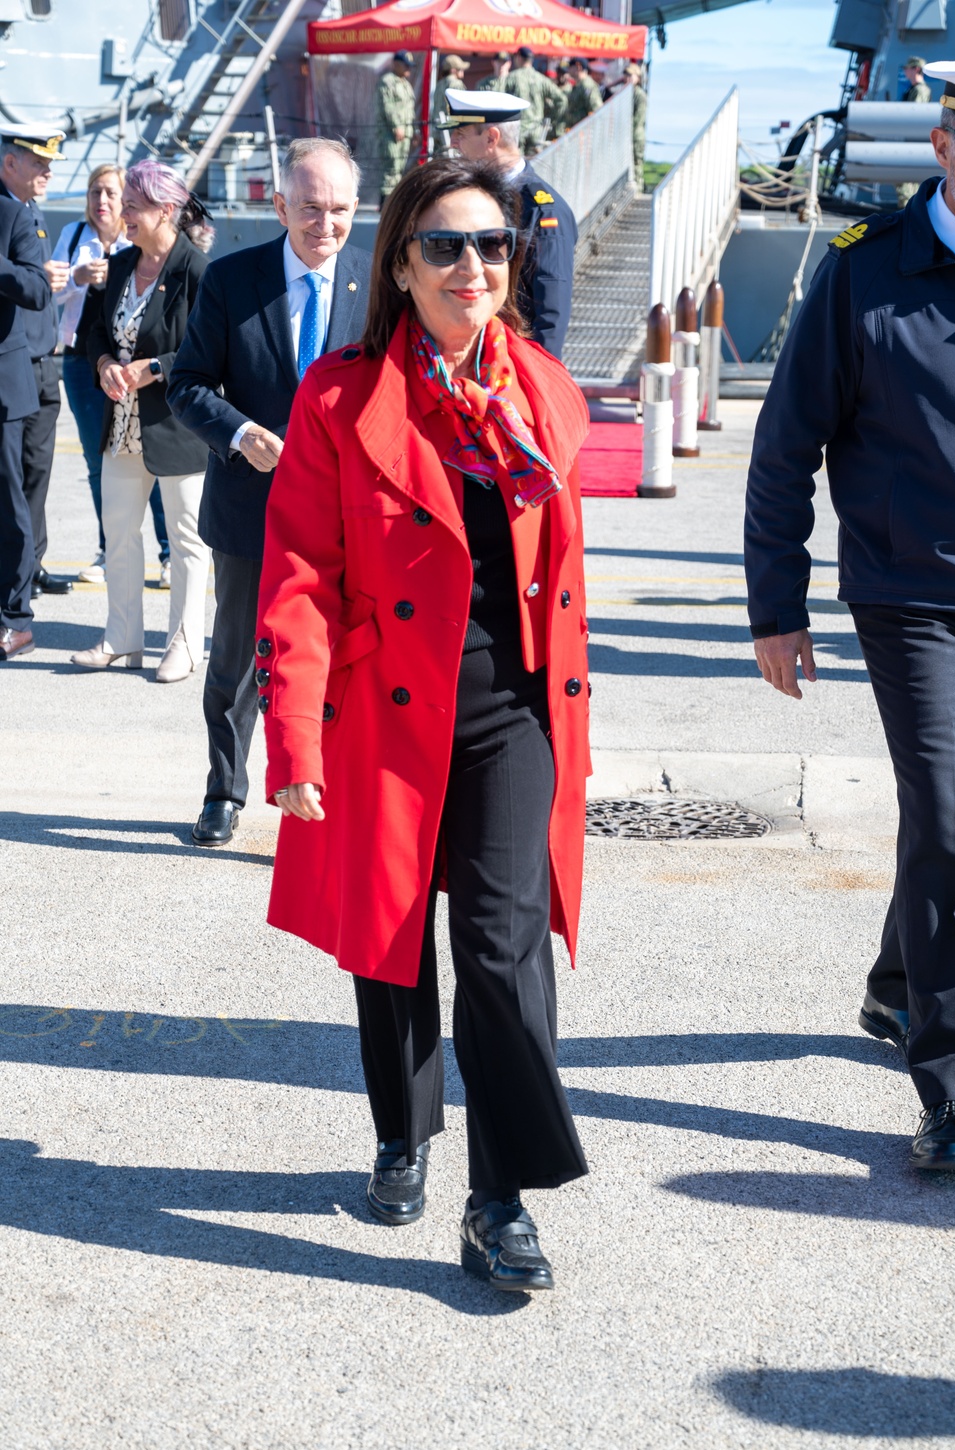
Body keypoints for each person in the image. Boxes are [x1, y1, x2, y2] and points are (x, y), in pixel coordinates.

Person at [254, 156, 591, 1289]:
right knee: (389, 944)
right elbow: (297, 574)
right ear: (398, 263)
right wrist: (293, 736)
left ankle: (501, 1200)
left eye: (492, 244)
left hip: (510, 717)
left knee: (502, 953)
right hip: (386, 710)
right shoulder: (338, 397)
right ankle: (404, 1130)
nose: (471, 266)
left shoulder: (541, 391)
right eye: (444, 245)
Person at [744, 60, 955, 1171]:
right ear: (942, 148)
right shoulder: (861, 277)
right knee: (948, 824)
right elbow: (783, 447)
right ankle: (951, 1092)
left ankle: (899, 982)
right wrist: (775, 606)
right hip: (913, 598)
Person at [167, 138, 372, 850]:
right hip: (252, 508)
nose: (326, 224)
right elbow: (186, 383)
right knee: (238, 661)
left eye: (340, 208)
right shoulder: (232, 280)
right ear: (280, 204)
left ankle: (324, 794)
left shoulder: (379, 287)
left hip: (350, 516)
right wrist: (241, 432)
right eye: (311, 207)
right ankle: (224, 790)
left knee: (345, 658)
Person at [72, 161, 213, 682]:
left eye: (133, 205)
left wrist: (154, 367)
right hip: (122, 426)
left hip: (177, 428)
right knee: (120, 534)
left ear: (166, 210)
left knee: (186, 540)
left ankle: (184, 644)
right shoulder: (121, 263)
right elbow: (94, 335)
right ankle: (122, 638)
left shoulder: (196, 271)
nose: (124, 214)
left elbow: (210, 351)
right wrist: (107, 364)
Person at [51, 164, 172, 590]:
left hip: (131, 367)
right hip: (82, 362)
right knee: (98, 459)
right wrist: (78, 279)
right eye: (94, 192)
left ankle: (167, 551)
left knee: (150, 458)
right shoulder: (72, 237)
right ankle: (109, 548)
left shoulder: (135, 244)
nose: (101, 201)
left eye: (110, 193)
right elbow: (50, 286)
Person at [445, 88, 577, 359]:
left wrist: (540, 380)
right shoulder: (472, 196)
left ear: (492, 137)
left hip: (513, 363)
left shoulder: (540, 208)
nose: (453, 143)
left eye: (461, 134)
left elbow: (550, 310)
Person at [0, 127, 72, 598]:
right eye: (39, 162)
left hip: (38, 363)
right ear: (10, 163)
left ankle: (27, 573)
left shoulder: (29, 211)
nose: (48, 171)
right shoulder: (15, 210)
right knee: (15, 487)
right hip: (17, 364)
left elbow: (36, 288)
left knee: (32, 482)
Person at [0, 192, 52, 660]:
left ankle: (16, 619)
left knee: (7, 499)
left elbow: (37, 290)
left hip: (1, 383)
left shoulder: (12, 214)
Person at [504, 47, 565, 155]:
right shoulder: (541, 79)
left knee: (517, 166)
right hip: (537, 129)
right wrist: (552, 119)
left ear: (518, 58)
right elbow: (561, 100)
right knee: (536, 166)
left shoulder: (511, 78)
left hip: (518, 129)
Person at [376, 52, 416, 205]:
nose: (408, 69)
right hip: (390, 134)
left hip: (404, 133)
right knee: (391, 168)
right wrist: (396, 127)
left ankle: (393, 204)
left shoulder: (405, 84)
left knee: (399, 169)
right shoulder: (387, 82)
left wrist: (414, 131)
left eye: (410, 66)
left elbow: (409, 110)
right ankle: (385, 206)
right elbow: (388, 107)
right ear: (396, 63)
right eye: (405, 65)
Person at [897, 56, 933, 206]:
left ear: (916, 69)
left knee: (906, 181)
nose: (905, 72)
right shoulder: (914, 89)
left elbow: (915, 115)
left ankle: (907, 211)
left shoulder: (920, 90)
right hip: (909, 139)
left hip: (912, 141)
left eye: (908, 69)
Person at [431, 54, 469, 154]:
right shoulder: (456, 84)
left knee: (439, 164)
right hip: (452, 132)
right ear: (453, 70)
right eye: (460, 69)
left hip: (438, 130)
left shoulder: (439, 85)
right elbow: (462, 109)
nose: (463, 71)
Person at [564, 58, 602, 131]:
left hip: (584, 131)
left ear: (578, 67)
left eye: (570, 67)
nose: (568, 69)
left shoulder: (587, 85)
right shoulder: (579, 85)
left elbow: (596, 109)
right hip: (576, 130)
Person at [625, 63, 647, 185]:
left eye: (630, 75)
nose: (627, 78)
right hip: (629, 134)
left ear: (637, 77)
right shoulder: (627, 93)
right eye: (626, 75)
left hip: (636, 134)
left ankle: (638, 187)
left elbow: (639, 118)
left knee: (636, 162)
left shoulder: (639, 95)